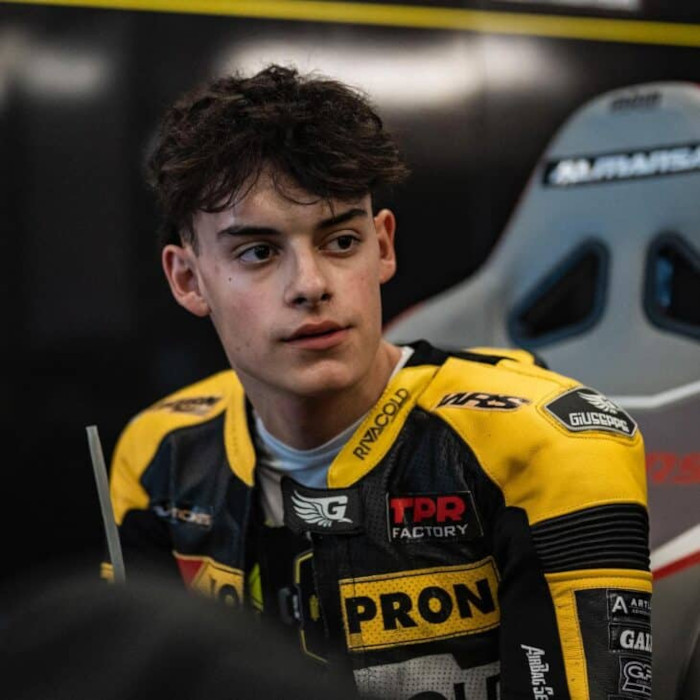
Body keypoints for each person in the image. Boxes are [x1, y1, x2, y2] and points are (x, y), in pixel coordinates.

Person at [105, 64, 652, 699]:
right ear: (187, 279)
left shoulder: (551, 443)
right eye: (259, 251)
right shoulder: (160, 452)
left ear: (383, 246)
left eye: (341, 241)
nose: (311, 284)